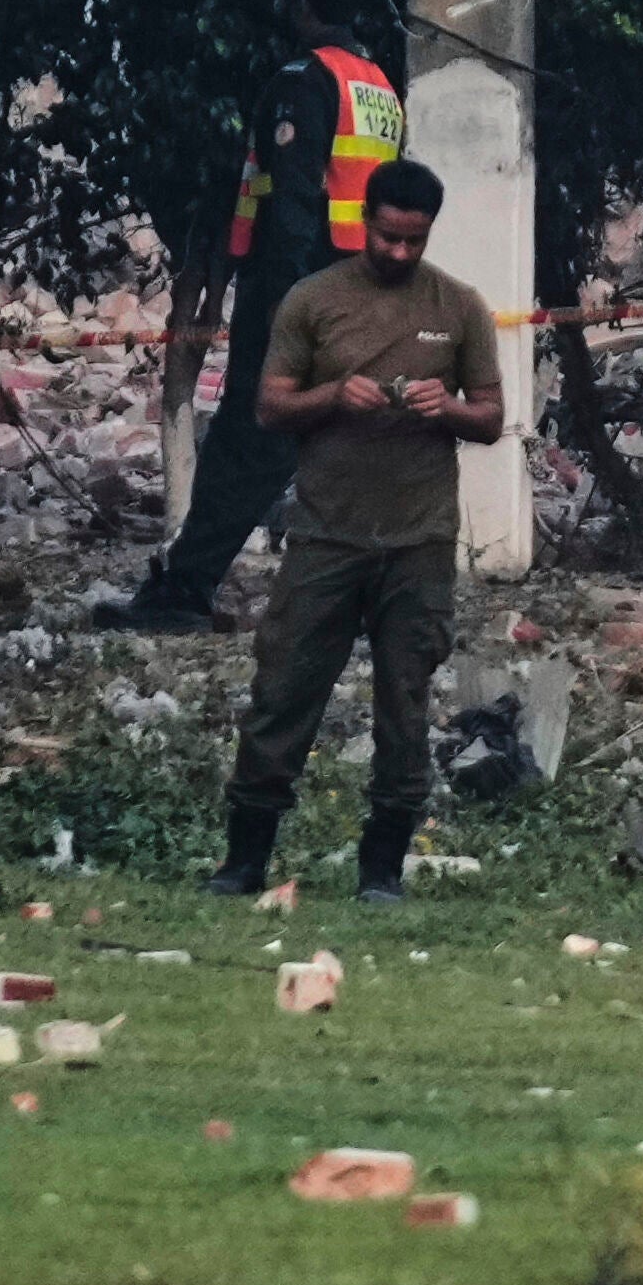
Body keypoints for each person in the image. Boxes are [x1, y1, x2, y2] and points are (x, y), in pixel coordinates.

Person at [206, 153, 502, 902]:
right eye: (389, 237)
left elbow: (493, 417)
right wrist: (336, 394)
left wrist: (450, 407)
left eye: (415, 240)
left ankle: (383, 869)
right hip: (326, 533)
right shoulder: (314, 299)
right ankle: (245, 860)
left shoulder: (461, 305)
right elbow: (270, 406)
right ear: (365, 219)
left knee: (405, 703)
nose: (400, 252)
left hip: (418, 540)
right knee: (284, 690)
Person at [112, 0, 407, 633]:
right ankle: (370, 599)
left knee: (253, 437)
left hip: (298, 291)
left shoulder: (304, 83)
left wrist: (280, 304)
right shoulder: (380, 87)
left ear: (303, 6)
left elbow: (293, 205)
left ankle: (186, 588)